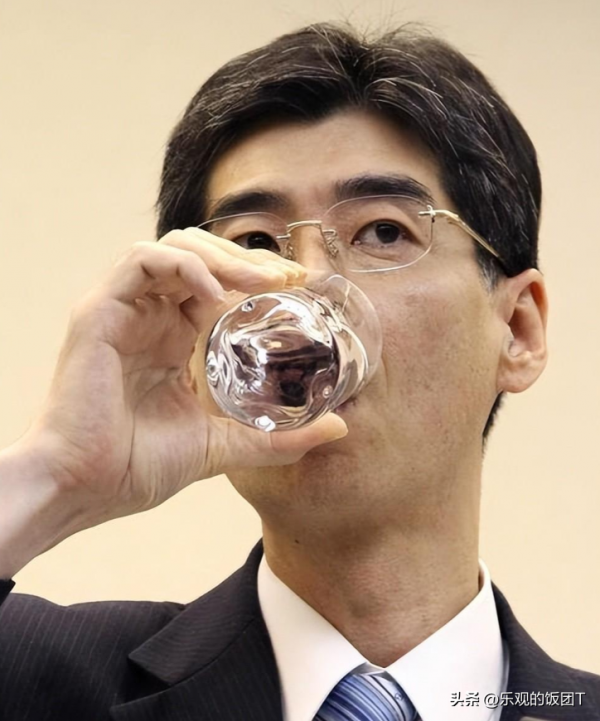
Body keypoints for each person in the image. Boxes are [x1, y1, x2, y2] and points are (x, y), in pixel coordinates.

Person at [0, 21, 598, 721]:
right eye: (253, 242)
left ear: (518, 329)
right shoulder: (35, 676)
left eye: (383, 231)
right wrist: (55, 475)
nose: (306, 284)